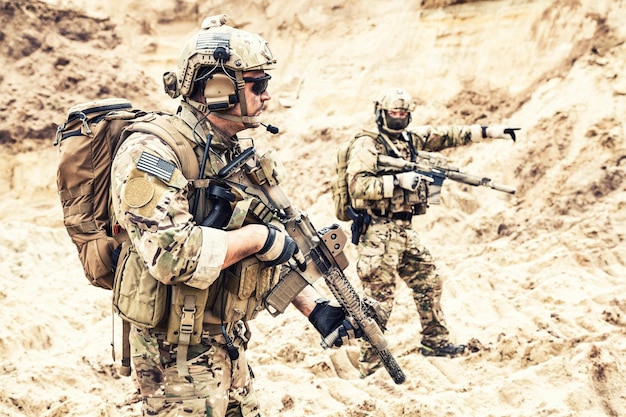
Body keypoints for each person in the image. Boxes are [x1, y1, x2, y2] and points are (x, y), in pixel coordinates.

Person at [110, 15, 359, 416]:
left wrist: (314, 306)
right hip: (174, 355)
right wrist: (260, 238)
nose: (267, 97)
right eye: (257, 84)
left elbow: (262, 249)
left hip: (227, 342)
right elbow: (172, 256)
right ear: (218, 89)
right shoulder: (151, 152)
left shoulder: (234, 153)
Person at [345, 87, 519, 378]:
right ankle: (371, 368)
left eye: (403, 114)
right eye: (393, 113)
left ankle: (435, 342)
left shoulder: (411, 140)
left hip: (404, 228)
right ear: (381, 113)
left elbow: (451, 134)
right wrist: (399, 181)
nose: (398, 118)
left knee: (429, 281)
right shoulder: (367, 145)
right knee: (379, 303)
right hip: (377, 232)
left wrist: (493, 131)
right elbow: (358, 187)